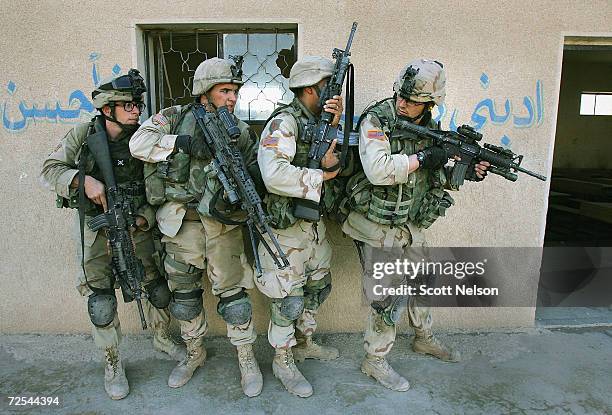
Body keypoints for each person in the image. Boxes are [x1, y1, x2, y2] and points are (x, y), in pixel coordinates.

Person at [341, 58, 489, 391]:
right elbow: (378, 170)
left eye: (413, 101)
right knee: (387, 295)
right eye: (401, 96)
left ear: (431, 104)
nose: (403, 104)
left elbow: (437, 176)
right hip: (375, 222)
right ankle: (375, 360)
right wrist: (422, 157)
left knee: (423, 282)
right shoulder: (376, 119)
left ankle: (423, 337)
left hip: (409, 222)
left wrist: (464, 172)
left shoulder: (433, 129)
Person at [40, 69, 184, 400]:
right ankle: (112, 361)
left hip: (138, 228)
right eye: (129, 105)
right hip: (98, 231)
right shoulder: (82, 135)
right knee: (101, 302)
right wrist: (82, 180)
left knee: (157, 291)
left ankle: (161, 337)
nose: (137, 110)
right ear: (108, 109)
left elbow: (160, 189)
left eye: (139, 104)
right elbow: (51, 169)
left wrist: (144, 220)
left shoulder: (143, 140)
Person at [129, 57, 263, 397]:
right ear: (204, 93)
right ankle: (193, 353)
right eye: (225, 91)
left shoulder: (239, 130)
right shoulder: (173, 117)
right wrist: (182, 143)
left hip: (223, 228)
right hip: (182, 226)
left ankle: (246, 358)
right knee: (185, 298)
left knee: (234, 298)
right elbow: (138, 144)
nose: (232, 98)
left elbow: (255, 170)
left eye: (235, 91)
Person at [255, 56, 344, 398]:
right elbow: (273, 174)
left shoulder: (320, 122)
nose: (332, 93)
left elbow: (332, 159)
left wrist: (334, 132)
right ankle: (283, 359)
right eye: (327, 88)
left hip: (313, 223)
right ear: (310, 90)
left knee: (318, 287)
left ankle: (306, 341)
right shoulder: (285, 123)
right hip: (285, 229)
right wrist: (320, 175)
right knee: (288, 300)